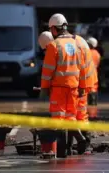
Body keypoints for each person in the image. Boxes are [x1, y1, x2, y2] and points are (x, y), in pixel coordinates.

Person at [41, 13, 89, 158]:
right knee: (70, 117)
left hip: (59, 88)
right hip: (74, 87)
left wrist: (44, 88)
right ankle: (79, 140)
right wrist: (82, 86)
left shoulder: (54, 45)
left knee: (59, 119)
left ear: (54, 29)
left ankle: (62, 153)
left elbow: (47, 70)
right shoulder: (77, 43)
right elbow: (82, 67)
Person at [86, 37, 101, 118]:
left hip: (86, 78)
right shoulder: (97, 54)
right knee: (93, 100)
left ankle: (87, 116)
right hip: (94, 77)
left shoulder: (87, 52)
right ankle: (93, 115)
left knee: (85, 99)